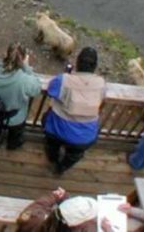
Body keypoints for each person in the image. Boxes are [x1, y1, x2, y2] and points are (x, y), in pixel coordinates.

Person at [43, 47, 105, 175]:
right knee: (75, 154)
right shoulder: (101, 83)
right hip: (84, 137)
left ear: (77, 62)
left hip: (57, 130)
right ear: (95, 66)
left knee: (51, 142)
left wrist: (67, 75)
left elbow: (51, 91)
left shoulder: (63, 79)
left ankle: (52, 158)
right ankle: (62, 167)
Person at [0, 42, 42, 152]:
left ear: (6, 54)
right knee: (16, 134)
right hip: (15, 117)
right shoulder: (24, 80)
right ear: (24, 59)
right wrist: (27, 67)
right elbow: (37, 88)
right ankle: (12, 146)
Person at [17, 187, 111, 232]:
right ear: (78, 226)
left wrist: (54, 196)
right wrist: (108, 230)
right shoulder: (88, 229)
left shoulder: (34, 219)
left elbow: (38, 205)